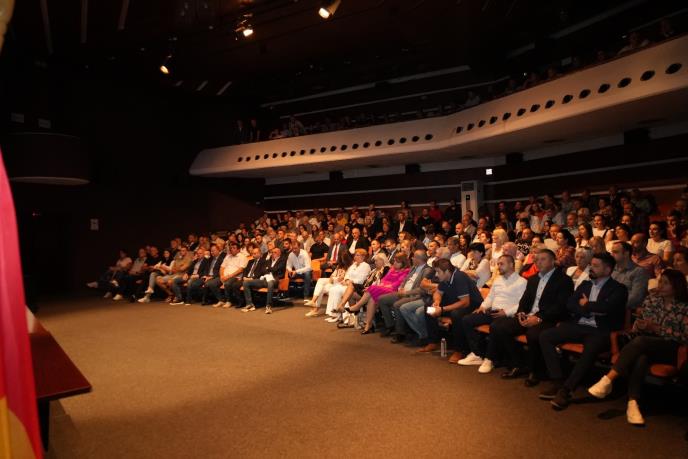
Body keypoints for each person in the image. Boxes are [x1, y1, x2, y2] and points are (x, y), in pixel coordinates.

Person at [588, 269, 688, 426]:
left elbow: (684, 335)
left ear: (677, 286)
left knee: (641, 342)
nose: (660, 285)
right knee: (641, 357)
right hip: (646, 343)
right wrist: (641, 325)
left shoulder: (684, 307)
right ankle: (633, 403)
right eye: (660, 281)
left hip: (671, 347)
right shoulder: (652, 300)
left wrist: (657, 329)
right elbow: (641, 324)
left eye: (666, 283)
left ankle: (608, 379)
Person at [538, 252, 628, 410]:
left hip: (600, 330)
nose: (591, 268)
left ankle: (566, 390)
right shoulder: (585, 284)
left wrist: (586, 305)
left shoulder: (619, 289)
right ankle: (557, 381)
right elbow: (570, 304)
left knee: (591, 348)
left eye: (596, 266)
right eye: (591, 264)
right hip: (579, 325)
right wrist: (590, 310)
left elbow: (608, 308)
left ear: (607, 270)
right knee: (545, 336)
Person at [490, 249, 573, 385]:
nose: (538, 262)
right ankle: (518, 364)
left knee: (533, 334)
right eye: (536, 260)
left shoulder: (564, 280)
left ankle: (536, 371)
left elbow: (560, 306)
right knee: (498, 327)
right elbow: (525, 300)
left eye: (543, 259)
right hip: (529, 315)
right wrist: (521, 312)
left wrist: (538, 318)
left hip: (549, 318)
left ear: (553, 261)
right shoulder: (533, 279)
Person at [459, 255, 527, 371]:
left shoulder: (522, 282)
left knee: (495, 327)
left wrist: (506, 312)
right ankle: (477, 354)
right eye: (498, 264)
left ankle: (489, 359)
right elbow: (490, 297)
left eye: (502, 264)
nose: (498, 266)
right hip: (493, 312)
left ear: (511, 265)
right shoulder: (498, 280)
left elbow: (522, 303)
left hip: (508, 315)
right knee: (467, 320)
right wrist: (483, 306)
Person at [417, 259, 483, 355]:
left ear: (447, 271)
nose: (436, 275)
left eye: (438, 272)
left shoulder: (459, 277)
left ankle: (459, 350)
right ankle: (433, 342)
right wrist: (437, 302)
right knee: (429, 307)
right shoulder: (445, 278)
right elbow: (438, 293)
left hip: (472, 304)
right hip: (456, 301)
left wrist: (442, 309)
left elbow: (465, 302)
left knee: (456, 314)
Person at [377, 250, 433, 342]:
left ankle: (400, 333)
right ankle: (390, 325)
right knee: (382, 299)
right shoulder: (414, 268)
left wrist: (406, 293)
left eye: (414, 257)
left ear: (419, 259)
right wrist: (401, 288)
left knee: (397, 305)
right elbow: (405, 280)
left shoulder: (427, 270)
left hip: (414, 295)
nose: (412, 258)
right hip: (403, 292)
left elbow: (422, 289)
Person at [347, 253, 410, 334]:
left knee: (372, 288)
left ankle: (357, 306)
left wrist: (383, 286)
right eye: (394, 261)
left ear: (403, 263)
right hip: (384, 289)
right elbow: (383, 280)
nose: (394, 263)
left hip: (394, 291)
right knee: (371, 298)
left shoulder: (406, 271)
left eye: (397, 262)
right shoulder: (392, 269)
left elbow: (396, 285)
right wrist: (383, 285)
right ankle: (368, 325)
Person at [305, 251, 352, 317]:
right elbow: (332, 276)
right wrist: (333, 278)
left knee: (322, 288)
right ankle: (313, 302)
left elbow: (347, 278)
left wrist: (340, 278)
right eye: (341, 258)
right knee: (320, 281)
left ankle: (315, 308)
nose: (342, 260)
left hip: (341, 284)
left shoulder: (350, 267)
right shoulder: (339, 265)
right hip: (334, 281)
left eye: (343, 258)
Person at [242, 246, 287, 314]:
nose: (273, 254)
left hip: (275, 279)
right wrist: (269, 270)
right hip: (265, 279)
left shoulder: (282, 260)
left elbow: (277, 269)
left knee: (270, 283)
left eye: (275, 252)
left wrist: (268, 268)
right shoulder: (268, 261)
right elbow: (263, 270)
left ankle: (268, 306)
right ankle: (250, 304)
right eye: (272, 252)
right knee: (246, 282)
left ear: (279, 253)